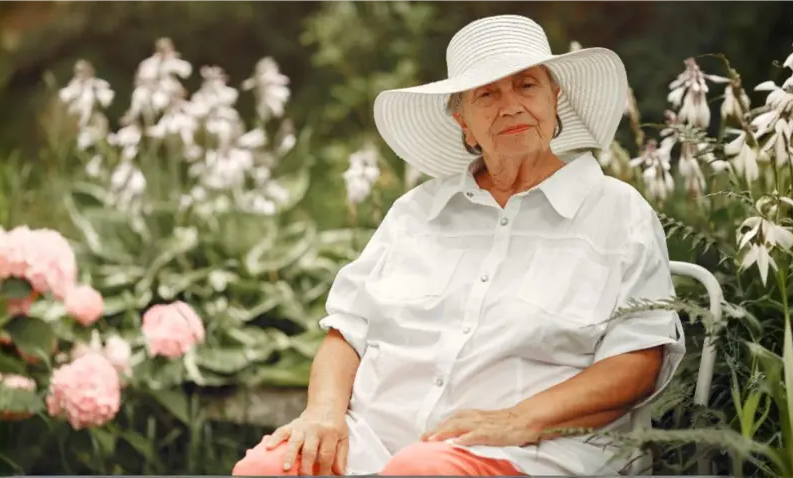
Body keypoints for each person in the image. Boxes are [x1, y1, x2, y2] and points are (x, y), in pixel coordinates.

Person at [231, 14, 684, 476]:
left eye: (526, 86)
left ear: (555, 100)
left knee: (422, 471)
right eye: (487, 94)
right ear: (462, 121)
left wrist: (517, 421)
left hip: (530, 450)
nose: (510, 107)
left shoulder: (617, 212)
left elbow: (638, 361)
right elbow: (346, 331)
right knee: (264, 470)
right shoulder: (416, 212)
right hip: (375, 441)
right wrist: (323, 414)